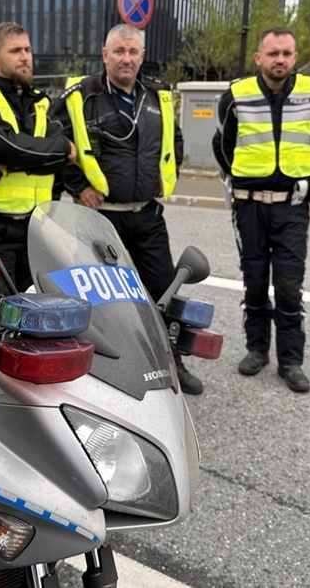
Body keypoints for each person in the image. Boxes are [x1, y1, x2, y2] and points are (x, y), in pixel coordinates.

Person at [54, 23, 202, 395]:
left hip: (147, 215)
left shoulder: (157, 96)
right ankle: (95, 371)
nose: (126, 58)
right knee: (95, 299)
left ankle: (173, 363)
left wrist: (166, 176)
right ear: (104, 54)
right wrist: (77, 186)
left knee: (163, 291)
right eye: (119, 51)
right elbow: (55, 144)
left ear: (142, 56)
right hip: (99, 218)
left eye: (133, 52)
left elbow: (175, 142)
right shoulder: (79, 96)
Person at [212, 27, 310, 393]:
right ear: (259, 59)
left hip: (292, 206)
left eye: (286, 53)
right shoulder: (236, 94)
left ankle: (291, 360)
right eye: (272, 53)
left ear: (295, 58)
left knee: (288, 284)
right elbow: (222, 145)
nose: (279, 59)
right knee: (253, 279)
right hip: (248, 205)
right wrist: (243, 180)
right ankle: (256, 348)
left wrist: (300, 176)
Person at [0, 22, 76, 291]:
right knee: (1, 311)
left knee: (38, 310)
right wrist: (56, 150)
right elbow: (2, 146)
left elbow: (54, 155)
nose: (25, 56)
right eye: (15, 50)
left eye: (27, 49)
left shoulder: (41, 101)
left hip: (39, 228)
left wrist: (19, 159)